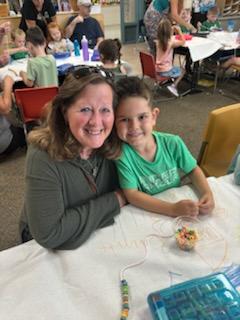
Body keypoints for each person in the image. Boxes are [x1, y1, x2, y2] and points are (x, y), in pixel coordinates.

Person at [19, 72, 127, 249]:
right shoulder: (42, 154)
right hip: (38, 245)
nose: (96, 121)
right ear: (64, 112)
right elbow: (50, 234)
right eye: (85, 109)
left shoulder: (117, 141)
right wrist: (116, 200)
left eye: (105, 110)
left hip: (94, 234)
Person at [112, 76, 214, 217]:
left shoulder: (173, 143)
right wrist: (172, 209)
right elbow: (132, 195)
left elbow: (192, 169)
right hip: (150, 213)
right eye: (124, 119)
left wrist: (207, 193)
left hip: (178, 206)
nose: (134, 127)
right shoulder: (122, 155)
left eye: (142, 117)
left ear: (154, 116)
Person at [0, 24, 26, 158]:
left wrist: (2, 35)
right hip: (3, 141)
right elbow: (5, 108)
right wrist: (8, 84)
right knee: (26, 133)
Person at [155, 19, 186, 97]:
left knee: (173, 68)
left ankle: (161, 82)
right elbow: (183, 41)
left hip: (157, 69)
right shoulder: (171, 43)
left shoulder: (158, 41)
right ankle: (173, 86)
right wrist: (179, 31)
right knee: (183, 70)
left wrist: (170, 30)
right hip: (166, 71)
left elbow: (168, 37)